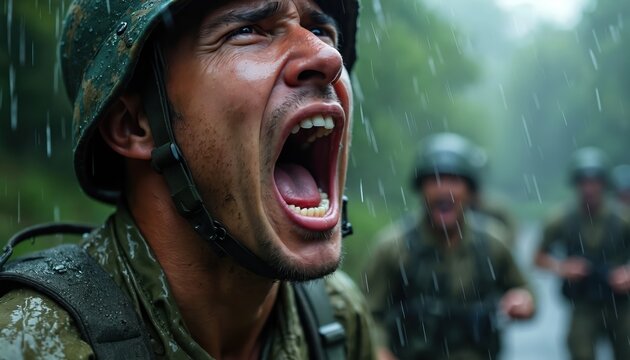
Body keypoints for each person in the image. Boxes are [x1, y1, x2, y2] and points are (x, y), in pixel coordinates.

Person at [0, 0, 376, 359]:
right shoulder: (32, 339)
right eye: (247, 30)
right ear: (135, 124)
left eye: (321, 29)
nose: (328, 56)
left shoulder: (335, 318)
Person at [363, 134, 535, 360]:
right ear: (421, 189)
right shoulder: (392, 248)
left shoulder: (493, 243)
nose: (444, 190)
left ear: (471, 192)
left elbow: (527, 294)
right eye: (434, 180)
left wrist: (522, 301)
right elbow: (367, 315)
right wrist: (379, 351)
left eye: (454, 180)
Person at [534, 147, 630, 360]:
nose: (589, 188)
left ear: (604, 183)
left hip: (621, 304)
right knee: (580, 352)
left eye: (594, 181)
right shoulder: (561, 219)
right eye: (583, 181)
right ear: (576, 184)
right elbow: (537, 257)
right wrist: (561, 267)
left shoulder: (623, 218)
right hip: (583, 303)